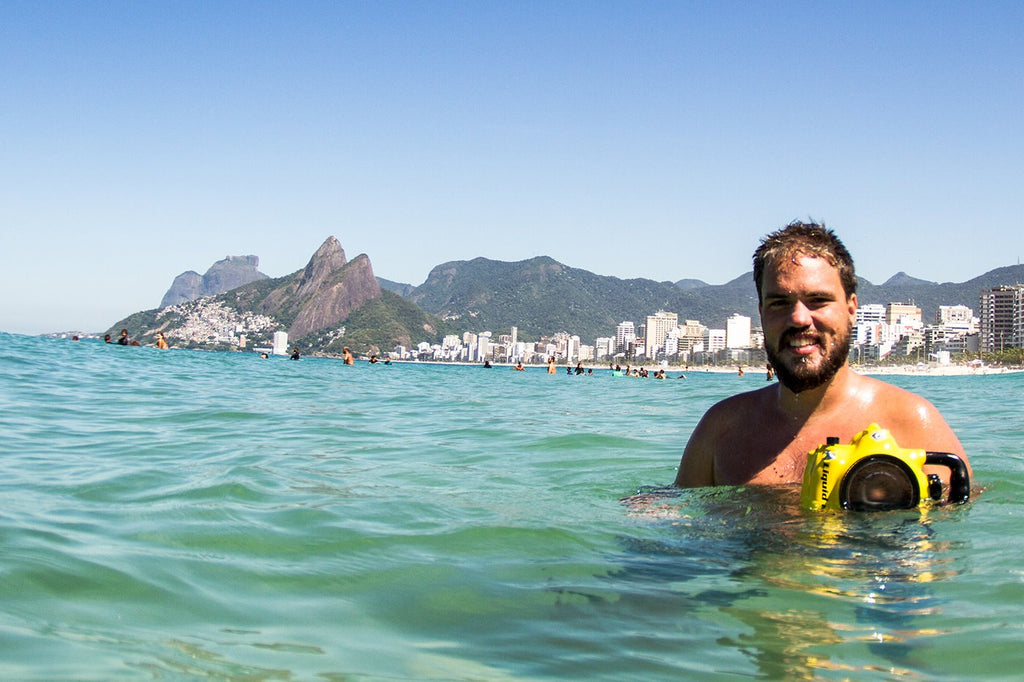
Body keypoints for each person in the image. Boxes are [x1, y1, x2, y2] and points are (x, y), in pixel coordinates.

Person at [674, 221, 970, 488]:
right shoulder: (722, 430)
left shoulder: (912, 424)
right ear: (762, 313)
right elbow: (672, 531)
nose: (799, 318)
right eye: (779, 303)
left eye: (818, 300)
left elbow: (955, 537)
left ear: (852, 309)